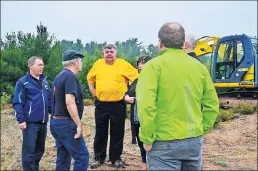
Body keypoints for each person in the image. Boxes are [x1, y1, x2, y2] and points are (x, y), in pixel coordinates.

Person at [136, 22, 219, 170]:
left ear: (160, 43)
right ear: (183, 43)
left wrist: (147, 138)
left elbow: (146, 106)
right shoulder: (199, 67)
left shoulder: (153, 67)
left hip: (163, 142)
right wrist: (202, 128)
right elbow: (212, 104)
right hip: (193, 141)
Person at [87, 44, 139, 168]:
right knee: (100, 132)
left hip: (118, 104)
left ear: (115, 53)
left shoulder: (123, 64)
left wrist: (128, 93)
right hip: (101, 104)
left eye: (111, 51)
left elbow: (136, 77)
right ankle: (99, 158)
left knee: (117, 133)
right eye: (107, 52)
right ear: (103, 53)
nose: (109, 54)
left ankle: (116, 158)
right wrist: (94, 93)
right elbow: (90, 78)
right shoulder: (98, 64)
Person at [50, 50, 89, 171]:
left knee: (63, 157)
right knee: (82, 156)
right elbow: (69, 102)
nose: (81, 63)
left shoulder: (59, 76)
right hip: (66, 124)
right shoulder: (70, 77)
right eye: (80, 60)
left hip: (56, 122)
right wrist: (78, 123)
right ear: (75, 62)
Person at [13, 56, 52, 171]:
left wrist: (54, 113)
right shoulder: (22, 82)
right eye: (39, 65)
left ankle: (34, 168)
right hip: (30, 123)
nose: (42, 67)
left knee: (40, 150)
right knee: (29, 151)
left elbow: (49, 100)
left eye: (43, 65)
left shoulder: (45, 81)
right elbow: (18, 102)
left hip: (43, 122)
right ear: (31, 66)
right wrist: (21, 120)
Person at [124, 56, 152, 170]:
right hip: (137, 116)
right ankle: (144, 164)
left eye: (143, 63)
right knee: (141, 140)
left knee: (151, 141)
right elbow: (126, 92)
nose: (140, 65)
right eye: (139, 64)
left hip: (149, 116)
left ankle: (152, 164)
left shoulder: (154, 80)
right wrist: (126, 97)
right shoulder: (135, 81)